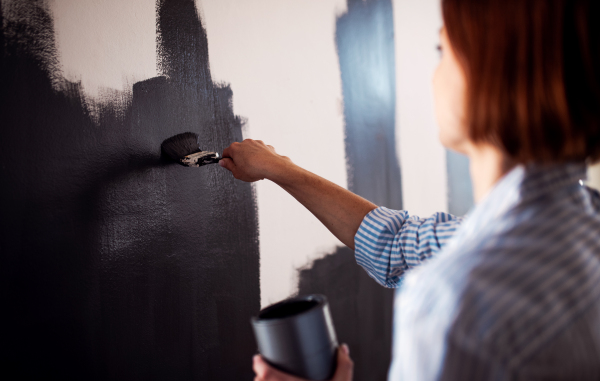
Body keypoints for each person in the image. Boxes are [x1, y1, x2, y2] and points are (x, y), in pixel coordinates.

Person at [219, 0, 600, 379]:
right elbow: (396, 244)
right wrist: (280, 169)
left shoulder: (451, 304)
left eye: (442, 51)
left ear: (489, 72)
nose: (433, 75)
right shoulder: (586, 224)